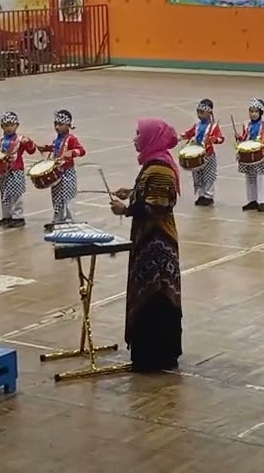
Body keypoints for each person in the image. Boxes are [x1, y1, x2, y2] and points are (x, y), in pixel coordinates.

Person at [112, 118, 183, 373]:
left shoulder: (160, 168)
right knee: (150, 293)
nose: (135, 138)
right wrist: (131, 192)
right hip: (148, 242)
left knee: (157, 294)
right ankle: (152, 353)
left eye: (139, 134)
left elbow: (159, 205)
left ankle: (156, 355)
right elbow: (149, 193)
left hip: (157, 244)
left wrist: (126, 209)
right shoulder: (153, 165)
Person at [0, 112, 36, 228]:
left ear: (17, 125)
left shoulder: (21, 140)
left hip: (15, 170)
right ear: (2, 126)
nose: (9, 128)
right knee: (5, 194)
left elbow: (32, 150)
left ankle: (18, 216)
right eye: (6, 125)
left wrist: (29, 143)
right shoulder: (0, 141)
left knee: (16, 194)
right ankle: (6, 216)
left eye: (11, 125)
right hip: (2, 171)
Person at [37, 110, 86, 230]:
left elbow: (82, 150)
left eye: (60, 124)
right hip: (57, 173)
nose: (57, 127)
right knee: (57, 197)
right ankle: (58, 220)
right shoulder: (57, 138)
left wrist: (72, 152)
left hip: (67, 173)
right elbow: (55, 148)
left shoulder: (71, 139)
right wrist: (46, 148)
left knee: (68, 197)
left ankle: (71, 221)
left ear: (68, 125)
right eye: (55, 124)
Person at [181, 99, 225, 206]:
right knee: (197, 175)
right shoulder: (197, 125)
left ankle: (208, 196)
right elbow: (189, 133)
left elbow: (221, 138)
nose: (199, 115)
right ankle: (201, 195)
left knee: (208, 176)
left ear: (209, 113)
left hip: (208, 155)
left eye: (202, 112)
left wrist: (215, 139)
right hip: (197, 154)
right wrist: (180, 137)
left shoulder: (213, 127)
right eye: (198, 112)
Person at [237, 98, 264, 212]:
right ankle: (252, 200)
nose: (253, 114)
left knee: (261, 178)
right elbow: (245, 138)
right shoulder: (246, 125)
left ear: (260, 113)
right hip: (248, 156)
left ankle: (263, 201)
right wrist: (239, 138)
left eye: (255, 111)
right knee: (250, 178)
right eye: (251, 111)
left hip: (260, 156)